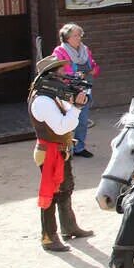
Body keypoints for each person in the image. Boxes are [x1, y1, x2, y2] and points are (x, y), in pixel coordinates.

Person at [29, 56, 94, 252]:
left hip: (59, 150)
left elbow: (66, 115)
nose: (64, 76)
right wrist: (76, 108)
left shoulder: (51, 94)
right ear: (50, 76)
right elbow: (62, 126)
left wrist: (74, 102)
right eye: (60, 72)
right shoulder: (42, 100)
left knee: (66, 188)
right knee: (50, 194)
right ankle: (48, 237)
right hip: (49, 152)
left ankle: (69, 227)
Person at [53, 22, 100, 158]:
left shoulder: (85, 50)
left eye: (80, 35)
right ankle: (65, 149)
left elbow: (95, 67)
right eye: (76, 35)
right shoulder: (59, 52)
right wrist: (74, 75)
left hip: (84, 91)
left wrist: (93, 71)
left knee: (83, 121)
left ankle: (79, 147)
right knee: (66, 122)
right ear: (67, 38)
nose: (79, 38)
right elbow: (58, 72)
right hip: (67, 92)